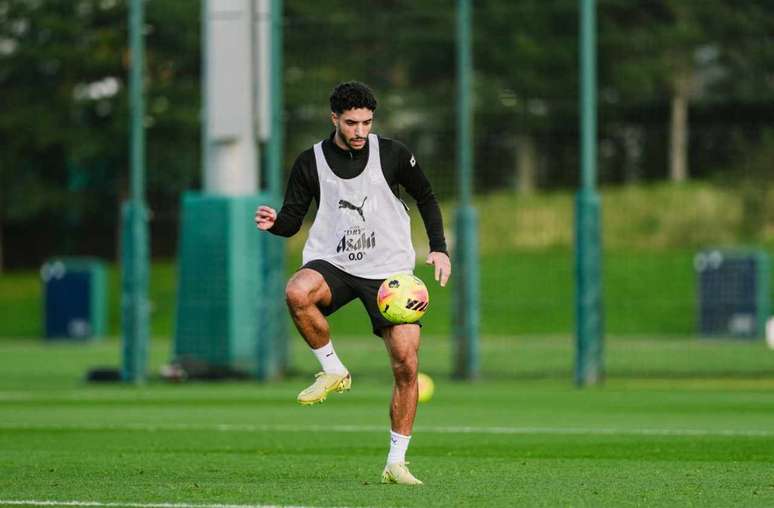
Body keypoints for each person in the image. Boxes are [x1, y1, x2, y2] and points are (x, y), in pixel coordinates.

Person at [255, 81, 450, 485]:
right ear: (334, 119)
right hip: (335, 264)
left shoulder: (393, 154)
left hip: (390, 273)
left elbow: (426, 197)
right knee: (296, 291)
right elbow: (293, 219)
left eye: (366, 122)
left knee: (406, 363)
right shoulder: (310, 161)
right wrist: (275, 224)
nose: (360, 131)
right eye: (351, 123)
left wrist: (439, 248)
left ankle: (396, 462)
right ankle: (332, 370)